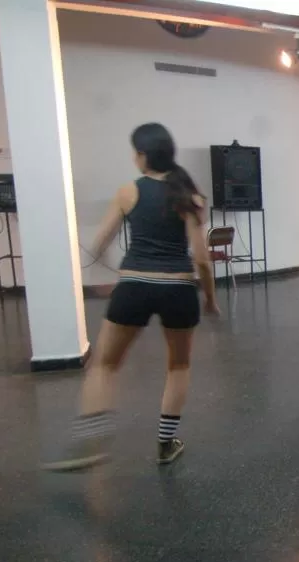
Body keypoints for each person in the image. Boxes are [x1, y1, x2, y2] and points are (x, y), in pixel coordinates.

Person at [43, 123, 218, 471]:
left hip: (134, 286)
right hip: (179, 289)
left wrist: (115, 277)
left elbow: (98, 244)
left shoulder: (128, 192)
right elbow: (200, 257)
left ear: (142, 156)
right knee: (178, 366)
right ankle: (166, 445)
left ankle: (91, 442)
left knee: (105, 365)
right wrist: (210, 299)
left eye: (134, 152)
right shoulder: (191, 197)